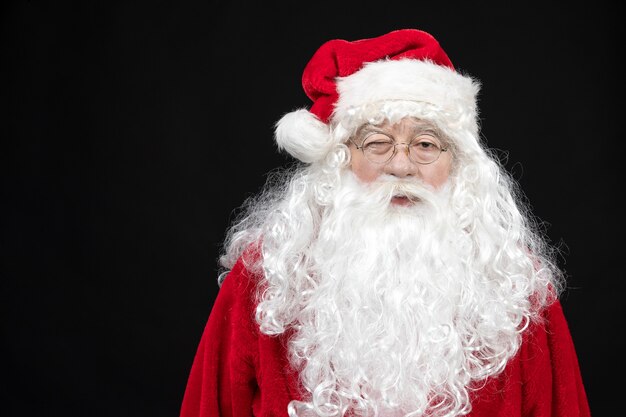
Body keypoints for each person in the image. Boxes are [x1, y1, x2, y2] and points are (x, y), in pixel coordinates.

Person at [179, 29, 591, 417]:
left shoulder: (515, 285)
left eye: (426, 145)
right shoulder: (269, 276)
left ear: (459, 163)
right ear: (340, 158)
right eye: (377, 143)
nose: (401, 165)